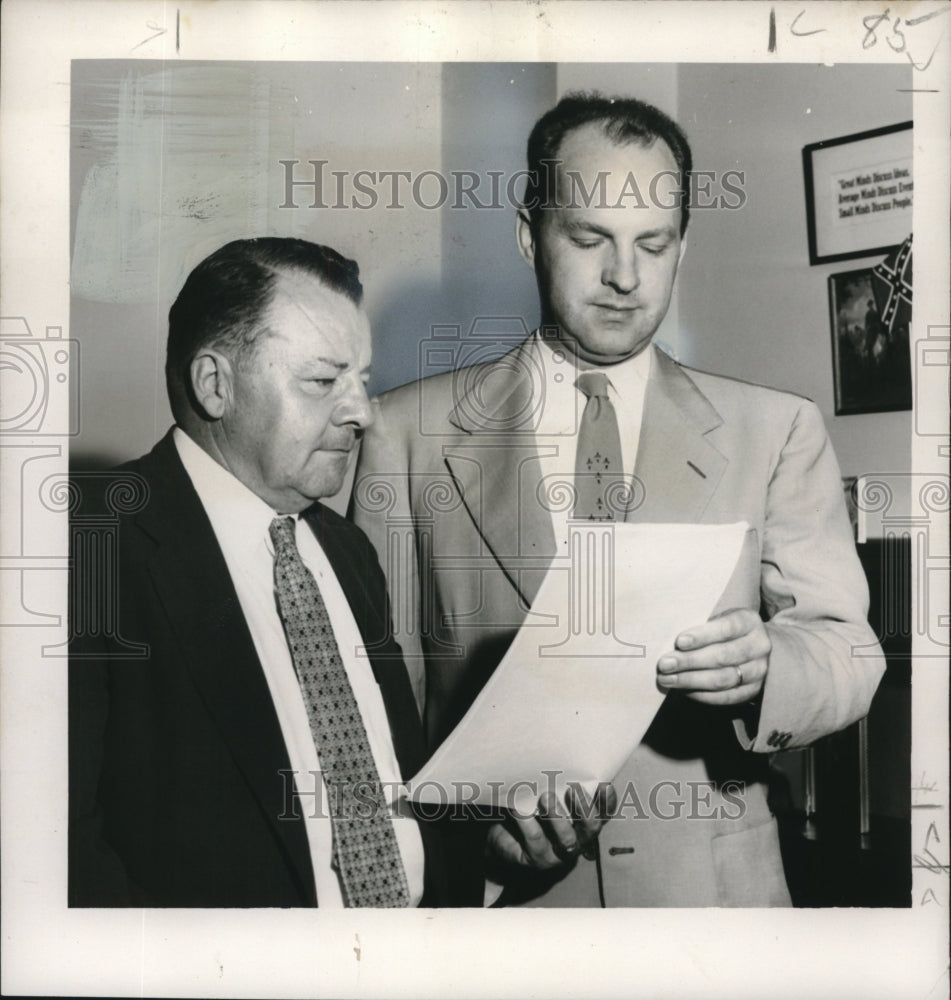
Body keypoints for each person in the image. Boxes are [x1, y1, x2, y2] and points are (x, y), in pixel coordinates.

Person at [351, 94, 886, 907]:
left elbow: (849, 652)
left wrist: (769, 666)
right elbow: (375, 707)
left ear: (682, 247)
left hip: (715, 907)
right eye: (590, 237)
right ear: (529, 234)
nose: (625, 277)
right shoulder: (402, 435)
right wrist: (463, 827)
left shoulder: (776, 429)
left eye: (653, 243)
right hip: (508, 918)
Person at [69, 237, 444, 907]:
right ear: (215, 385)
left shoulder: (349, 554)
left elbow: (399, 789)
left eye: (360, 381)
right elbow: (58, 850)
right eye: (323, 382)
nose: (360, 412)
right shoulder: (88, 546)